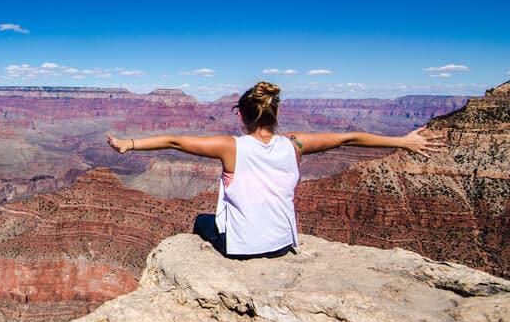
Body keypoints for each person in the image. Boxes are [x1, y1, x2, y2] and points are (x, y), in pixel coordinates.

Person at [106, 81, 445, 259]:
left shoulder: (231, 146)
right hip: (283, 244)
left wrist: (129, 144)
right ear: (276, 114)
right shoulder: (295, 144)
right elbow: (349, 137)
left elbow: (176, 142)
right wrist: (402, 141)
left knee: (201, 220)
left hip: (241, 250)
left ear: (241, 115)